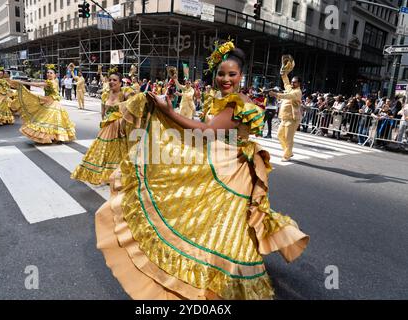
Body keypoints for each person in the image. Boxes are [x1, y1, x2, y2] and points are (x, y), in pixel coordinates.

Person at [94, 41, 309, 300]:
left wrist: (168, 111)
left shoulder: (236, 104)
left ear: (242, 76)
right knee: (217, 223)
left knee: (218, 223)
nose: (225, 79)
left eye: (232, 74)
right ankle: (215, 278)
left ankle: (218, 280)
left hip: (231, 169)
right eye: (221, 73)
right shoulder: (224, 100)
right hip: (226, 163)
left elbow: (206, 132)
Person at [71, 69, 138, 185]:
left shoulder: (124, 92)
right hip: (107, 127)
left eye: (115, 80)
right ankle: (109, 175)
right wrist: (103, 126)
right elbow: (103, 112)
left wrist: (132, 95)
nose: (112, 82)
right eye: (110, 80)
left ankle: (119, 175)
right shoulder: (105, 94)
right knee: (103, 150)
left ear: (120, 83)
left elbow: (133, 103)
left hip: (120, 127)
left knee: (118, 152)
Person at [9, 65, 76, 144]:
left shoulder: (50, 82)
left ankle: (52, 137)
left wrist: (22, 82)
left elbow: (37, 85)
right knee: (53, 122)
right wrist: (70, 70)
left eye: (51, 73)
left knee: (46, 120)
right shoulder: (56, 81)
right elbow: (42, 85)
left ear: (55, 75)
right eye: (47, 72)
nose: (48, 74)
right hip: (51, 102)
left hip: (52, 103)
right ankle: (55, 137)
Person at [269, 57, 302, 162]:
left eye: (295, 82)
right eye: (292, 82)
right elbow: (286, 82)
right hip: (284, 118)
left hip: (292, 119)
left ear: (299, 83)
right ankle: (288, 151)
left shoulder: (297, 92)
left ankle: (287, 155)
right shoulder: (291, 88)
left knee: (288, 138)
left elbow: (287, 96)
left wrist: (275, 94)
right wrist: (283, 73)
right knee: (279, 135)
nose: (292, 84)